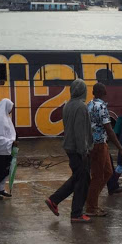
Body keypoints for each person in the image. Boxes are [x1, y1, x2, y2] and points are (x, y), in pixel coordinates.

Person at [45, 79, 93, 223]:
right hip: (78, 149)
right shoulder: (81, 107)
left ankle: (53, 200)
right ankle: (76, 214)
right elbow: (79, 131)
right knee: (82, 181)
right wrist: (83, 151)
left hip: (69, 147)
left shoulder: (67, 105)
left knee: (79, 177)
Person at [85, 83, 122, 217]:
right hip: (99, 145)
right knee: (98, 176)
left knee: (108, 172)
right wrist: (121, 149)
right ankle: (91, 207)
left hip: (93, 143)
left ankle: (92, 200)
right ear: (103, 91)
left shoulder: (89, 105)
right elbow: (109, 129)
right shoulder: (102, 106)